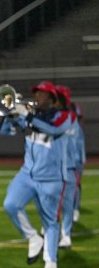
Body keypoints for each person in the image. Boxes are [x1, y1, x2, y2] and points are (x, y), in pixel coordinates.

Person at [1, 81, 69, 268]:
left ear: (52, 99)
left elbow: (54, 130)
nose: (37, 97)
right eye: (36, 93)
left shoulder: (63, 116)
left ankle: (51, 262)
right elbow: (6, 132)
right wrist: (11, 114)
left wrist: (27, 115)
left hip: (51, 177)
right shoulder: (31, 116)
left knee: (49, 221)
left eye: (42, 94)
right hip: (27, 174)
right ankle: (32, 238)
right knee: (10, 205)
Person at [55, 84, 83, 248]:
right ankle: (51, 230)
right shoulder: (50, 117)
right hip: (51, 168)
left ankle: (66, 234)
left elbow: (76, 142)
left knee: (67, 203)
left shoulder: (71, 119)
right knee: (50, 202)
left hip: (68, 166)